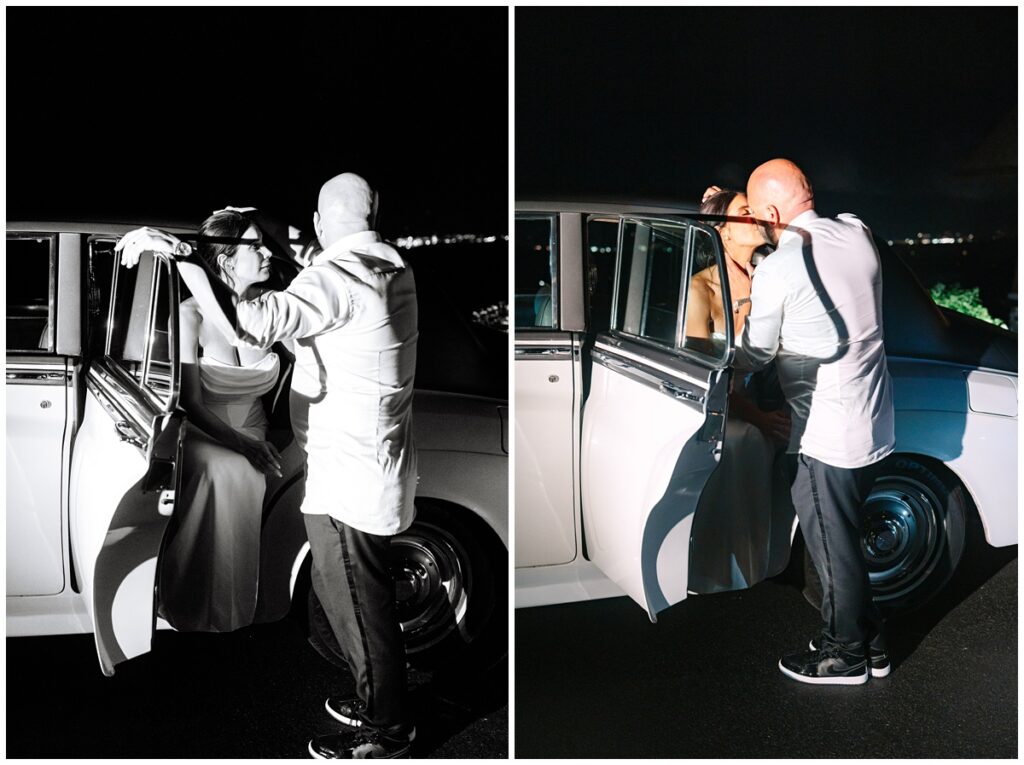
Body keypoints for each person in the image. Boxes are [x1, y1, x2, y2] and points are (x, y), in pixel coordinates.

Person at [116, 173, 419, 758]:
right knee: (343, 593)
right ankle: (373, 698)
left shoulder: (335, 278)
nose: (284, 244)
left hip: (348, 472)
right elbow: (194, 395)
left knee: (360, 601)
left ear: (328, 221)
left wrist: (184, 256)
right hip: (351, 464)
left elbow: (249, 325)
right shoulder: (388, 267)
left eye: (308, 227)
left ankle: (390, 729)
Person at [735, 158, 895, 685]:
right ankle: (869, 643)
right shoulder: (856, 231)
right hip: (874, 422)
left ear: (773, 211)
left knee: (832, 547)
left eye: (757, 213)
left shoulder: (781, 266)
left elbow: (756, 354)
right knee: (844, 539)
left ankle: (842, 655)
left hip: (826, 435)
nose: (757, 222)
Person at [159, 209, 284, 633]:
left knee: (268, 467)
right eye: (256, 246)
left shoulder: (271, 309)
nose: (268, 253)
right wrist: (242, 444)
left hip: (254, 424)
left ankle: (247, 597)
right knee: (223, 468)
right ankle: (196, 600)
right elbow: (191, 402)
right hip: (204, 429)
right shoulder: (189, 315)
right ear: (228, 260)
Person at [686, 189, 791, 593]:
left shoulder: (772, 275)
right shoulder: (701, 289)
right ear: (723, 232)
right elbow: (703, 374)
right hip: (723, 407)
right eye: (746, 212)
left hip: (774, 394)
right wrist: (760, 417)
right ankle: (733, 569)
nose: (758, 217)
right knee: (746, 441)